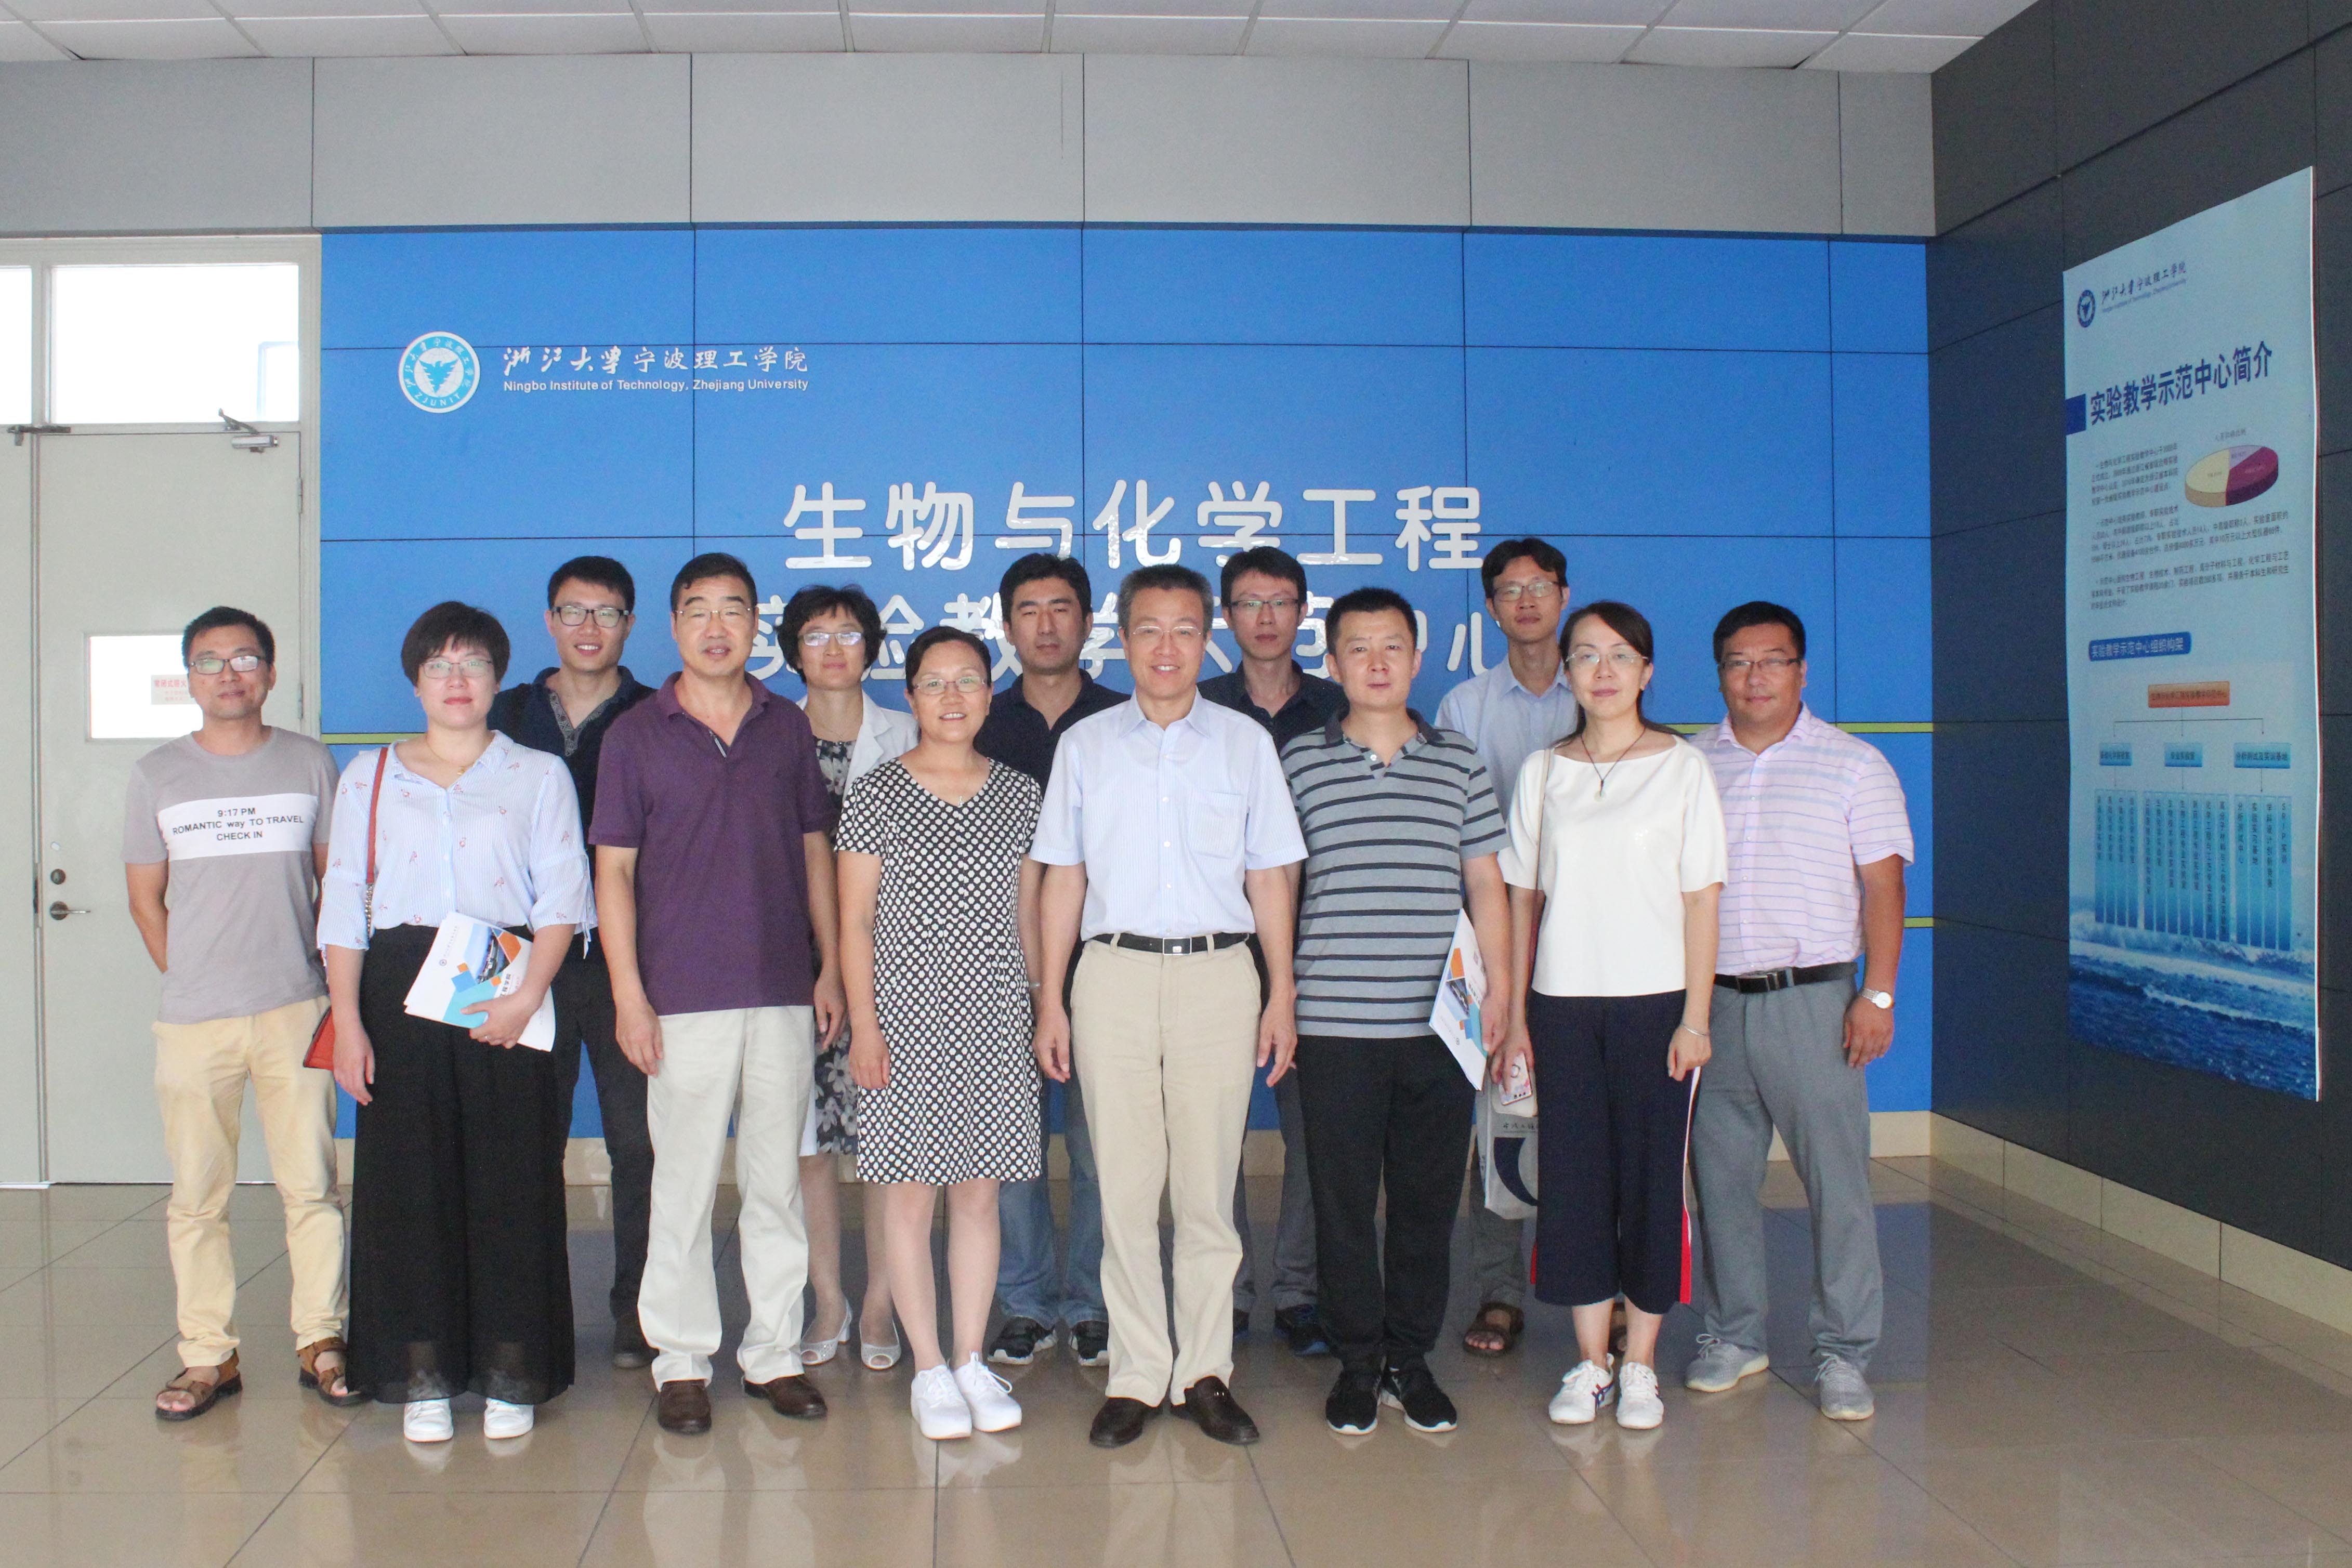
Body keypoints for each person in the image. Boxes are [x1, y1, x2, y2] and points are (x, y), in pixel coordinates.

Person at [1030, 563, 1307, 1451]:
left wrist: (1280, 992)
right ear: (1121, 639)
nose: (1166, 646)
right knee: (1121, 1184)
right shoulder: (1086, 744)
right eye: (1148, 629)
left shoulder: (1243, 744)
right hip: (1109, 974)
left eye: (1185, 629)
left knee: (1206, 1188)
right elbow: (1063, 877)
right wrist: (1051, 999)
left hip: (1218, 975)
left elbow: (1270, 876)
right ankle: (1138, 1371)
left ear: (1206, 639)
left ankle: (1204, 1372)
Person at [321, 602, 588, 1443]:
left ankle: (511, 1370)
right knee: (409, 1185)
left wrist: (527, 995)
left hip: (504, 980)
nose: (456, 680)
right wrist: (347, 1022)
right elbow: (343, 904)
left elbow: (563, 898)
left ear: (498, 676)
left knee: (512, 1179)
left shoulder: (537, 774)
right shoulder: (369, 776)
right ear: (415, 682)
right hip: (398, 990)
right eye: (438, 665)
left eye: (472, 663)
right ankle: (422, 1372)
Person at [593, 553, 842, 1436]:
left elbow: (815, 849)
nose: (715, 627)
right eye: (697, 610)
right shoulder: (635, 734)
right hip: (680, 996)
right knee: (684, 1186)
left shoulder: (785, 725)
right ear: (673, 627)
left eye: (733, 609)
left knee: (776, 1182)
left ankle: (772, 1352)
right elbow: (613, 872)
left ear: (754, 624)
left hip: (779, 987)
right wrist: (629, 994)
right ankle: (683, 1358)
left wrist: (829, 965)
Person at [1280, 587, 1513, 1436]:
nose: (1375, 663)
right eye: (1357, 647)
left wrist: (1501, 995)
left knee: (1423, 1205)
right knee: (1342, 1205)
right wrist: (1280, 994)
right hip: (1333, 1025)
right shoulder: (1299, 761)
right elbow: (1281, 884)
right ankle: (1356, 1362)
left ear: (1416, 660)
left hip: (1440, 1028)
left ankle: (1408, 1360)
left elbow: (1485, 881)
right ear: (1332, 663)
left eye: (1391, 647)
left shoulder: (1458, 760)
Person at [1494, 600, 1725, 1433]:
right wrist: (1516, 1016)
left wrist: (1695, 1017)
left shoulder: (1682, 767)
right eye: (1585, 654)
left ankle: (1641, 1366)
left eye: (1620, 654)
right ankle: (1590, 1362)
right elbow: (1523, 900)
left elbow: (1701, 900)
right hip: (1560, 1007)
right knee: (1574, 1182)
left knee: (1652, 1180)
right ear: (1565, 671)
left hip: (1657, 1009)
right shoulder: (1543, 771)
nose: (1602, 670)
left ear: (1647, 670)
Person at [125, 607, 354, 1421]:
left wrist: (315, 979)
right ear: (189, 677)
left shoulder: (309, 762)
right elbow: (145, 899)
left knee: (312, 1188)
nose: (229, 674)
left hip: (296, 1007)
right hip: (196, 1020)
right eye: (210, 661)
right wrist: (194, 975)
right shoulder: (157, 774)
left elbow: (336, 887)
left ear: (270, 671)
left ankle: (321, 1340)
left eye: (245, 658)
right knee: (197, 1195)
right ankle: (207, 1355)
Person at [1687, 602, 1913, 1422]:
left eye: (1772, 661)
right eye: (1738, 662)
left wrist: (1876, 993)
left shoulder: (1853, 764)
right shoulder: (1688, 763)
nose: (1755, 677)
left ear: (1801, 670)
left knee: (1836, 1183)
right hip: (1711, 1001)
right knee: (1719, 1181)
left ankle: (1844, 1350)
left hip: (1814, 1000)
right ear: (1719, 672)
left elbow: (1883, 885)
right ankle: (1733, 1334)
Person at [838, 626, 1044, 1441]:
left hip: (994, 1016)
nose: (951, 697)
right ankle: (927, 1365)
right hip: (903, 1018)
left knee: (980, 1192)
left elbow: (1028, 915)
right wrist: (864, 1024)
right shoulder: (876, 792)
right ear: (911, 695)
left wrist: (1039, 1007)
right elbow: (855, 921)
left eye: (967, 680)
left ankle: (969, 1357)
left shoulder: (1020, 793)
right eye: (933, 682)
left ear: (990, 693)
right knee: (909, 1193)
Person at [488, 555, 657, 1369]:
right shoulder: (503, 713)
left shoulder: (657, 716)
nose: (590, 628)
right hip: (522, 960)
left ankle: (640, 1311)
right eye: (573, 611)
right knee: (526, 1144)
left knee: (639, 1143)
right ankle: (533, 1313)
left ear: (631, 624)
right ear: (549, 621)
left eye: (607, 613)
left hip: (628, 960)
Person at [975, 552, 1125, 1370]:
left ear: (1087, 622)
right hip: (998, 968)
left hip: (1105, 965)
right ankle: (1026, 1301)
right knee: (1013, 1151)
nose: (1045, 624)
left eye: (1061, 607)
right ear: (1006, 627)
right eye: (1028, 610)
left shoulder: (1124, 720)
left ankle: (1094, 1301)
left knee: (1103, 1150)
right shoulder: (980, 721)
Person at [1431, 538, 1577, 1360]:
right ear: (1490, 607)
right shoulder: (1463, 706)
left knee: (1588, 1121)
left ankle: (1598, 1285)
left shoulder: (1597, 688)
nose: (1525, 600)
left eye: (1539, 586)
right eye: (1509, 589)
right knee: (1500, 1118)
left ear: (1563, 595)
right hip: (1493, 939)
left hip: (1592, 940)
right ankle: (1498, 1291)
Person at [1198, 544, 1342, 1358]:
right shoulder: (1197, 707)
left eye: (1280, 602)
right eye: (1248, 603)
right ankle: (1227, 1288)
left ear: (1302, 612)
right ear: (1226, 616)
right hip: (1216, 943)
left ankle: (1298, 1290)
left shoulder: (1338, 707)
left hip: (1319, 945)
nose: (1264, 617)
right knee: (1212, 1133)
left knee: (1311, 1134)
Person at [780, 583, 917, 1374]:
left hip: (893, 962)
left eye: (848, 634)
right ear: (793, 652)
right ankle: (828, 1297)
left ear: (871, 648)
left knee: (888, 1139)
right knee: (807, 1142)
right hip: (790, 962)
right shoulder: (770, 735)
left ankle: (881, 1303)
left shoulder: (908, 734)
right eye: (815, 635)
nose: (833, 649)